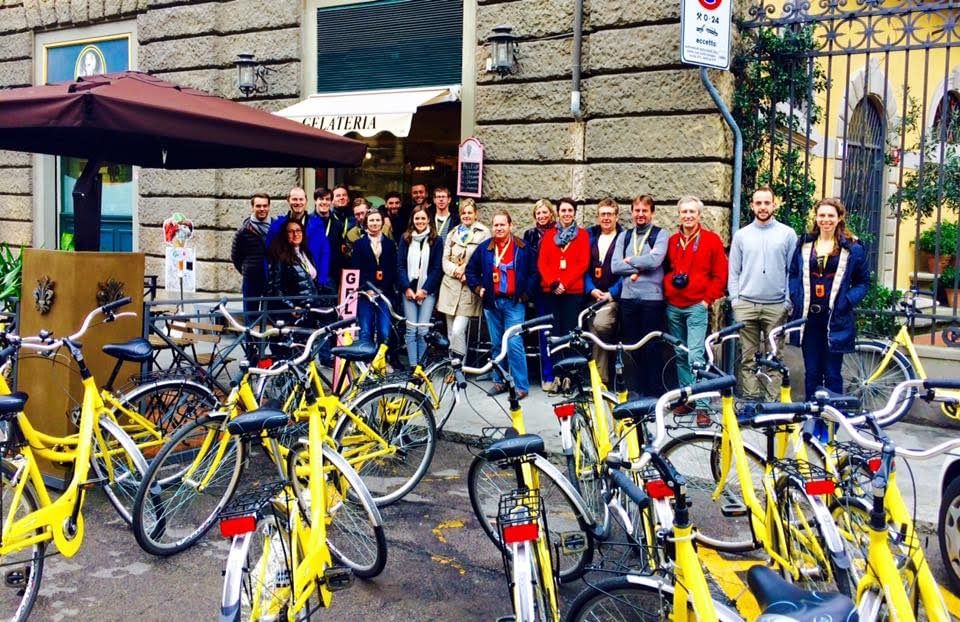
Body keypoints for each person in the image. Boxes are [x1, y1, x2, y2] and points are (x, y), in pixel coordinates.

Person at [789, 198, 870, 402]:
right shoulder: (805, 244)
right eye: (822, 215)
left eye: (830, 216)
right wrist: (795, 296)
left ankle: (832, 419)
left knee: (832, 373)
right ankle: (811, 418)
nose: (826, 220)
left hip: (836, 319)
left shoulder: (853, 248)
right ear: (816, 218)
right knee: (812, 372)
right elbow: (793, 274)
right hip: (810, 320)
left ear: (839, 218)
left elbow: (863, 283)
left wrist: (847, 301)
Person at [728, 187, 798, 400]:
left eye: (767, 203)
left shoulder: (787, 234)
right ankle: (751, 402)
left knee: (775, 357)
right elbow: (734, 270)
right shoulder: (741, 235)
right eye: (758, 203)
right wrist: (735, 300)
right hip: (746, 305)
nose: (763, 207)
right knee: (747, 358)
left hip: (776, 305)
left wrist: (787, 301)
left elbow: (791, 271)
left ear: (774, 205)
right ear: (752, 206)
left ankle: (771, 403)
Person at [663, 196, 728, 425]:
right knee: (680, 354)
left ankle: (702, 406)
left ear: (699, 215)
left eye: (692, 212)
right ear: (679, 215)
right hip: (674, 306)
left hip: (696, 306)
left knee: (696, 356)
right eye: (684, 212)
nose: (688, 216)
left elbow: (720, 275)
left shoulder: (711, 240)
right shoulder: (671, 241)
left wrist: (706, 300)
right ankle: (687, 398)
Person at [466, 210, 537, 399]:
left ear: (510, 226)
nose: (499, 228)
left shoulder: (522, 247)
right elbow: (470, 270)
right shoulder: (485, 248)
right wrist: (478, 288)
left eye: (502, 224)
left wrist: (526, 294)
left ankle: (521, 386)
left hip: (514, 303)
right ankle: (499, 382)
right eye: (496, 225)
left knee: (514, 343)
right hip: (492, 303)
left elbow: (534, 273)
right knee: (497, 344)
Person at [611, 195, 669, 397]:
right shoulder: (624, 236)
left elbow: (656, 261)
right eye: (637, 210)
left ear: (652, 213)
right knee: (632, 345)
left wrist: (631, 261)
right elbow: (615, 266)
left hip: (652, 299)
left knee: (652, 346)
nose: (640, 214)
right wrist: (639, 266)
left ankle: (655, 392)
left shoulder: (661, 235)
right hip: (628, 298)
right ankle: (637, 390)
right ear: (632, 212)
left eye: (645, 210)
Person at [537, 198, 590, 380]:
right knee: (554, 333)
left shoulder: (582, 235)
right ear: (557, 213)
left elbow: (582, 263)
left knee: (570, 332)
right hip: (551, 291)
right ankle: (556, 374)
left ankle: (570, 375)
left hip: (572, 292)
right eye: (563, 210)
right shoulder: (549, 235)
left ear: (574, 213)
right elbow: (543, 262)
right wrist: (553, 282)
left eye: (570, 210)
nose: (566, 214)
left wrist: (564, 284)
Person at [437, 199, 490, 359]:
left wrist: (467, 272)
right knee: (450, 331)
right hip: (450, 287)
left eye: (469, 212)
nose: (466, 216)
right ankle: (455, 367)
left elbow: (484, 259)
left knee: (458, 330)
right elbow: (445, 260)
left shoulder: (484, 233)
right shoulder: (453, 233)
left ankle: (459, 366)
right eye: (463, 213)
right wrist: (455, 271)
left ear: (476, 214)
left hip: (469, 287)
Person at [397, 206, 444, 366]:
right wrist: (406, 288)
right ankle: (412, 366)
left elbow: (438, 268)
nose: (420, 221)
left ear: (428, 219)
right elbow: (400, 266)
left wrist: (425, 290)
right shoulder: (405, 238)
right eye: (417, 218)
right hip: (408, 290)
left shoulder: (437, 241)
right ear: (412, 220)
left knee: (423, 330)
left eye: (423, 218)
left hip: (427, 291)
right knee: (411, 329)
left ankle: (422, 367)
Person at [584, 198, 623, 385]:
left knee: (600, 326)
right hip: (593, 295)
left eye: (609, 214)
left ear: (616, 216)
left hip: (613, 297)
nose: (606, 218)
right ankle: (599, 381)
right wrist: (591, 289)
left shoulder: (624, 237)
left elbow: (628, 270)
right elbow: (583, 267)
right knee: (591, 332)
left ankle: (603, 378)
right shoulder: (590, 236)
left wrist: (612, 293)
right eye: (603, 214)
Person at [522, 199, 558, 391]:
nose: (542, 216)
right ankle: (547, 375)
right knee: (544, 333)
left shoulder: (559, 232)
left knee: (559, 332)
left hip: (556, 288)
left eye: (545, 212)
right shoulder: (529, 235)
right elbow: (527, 264)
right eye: (539, 213)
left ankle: (562, 374)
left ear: (551, 214)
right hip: (539, 290)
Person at [266, 187, 329, 289]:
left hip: (312, 282)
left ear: (306, 201)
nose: (298, 203)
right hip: (286, 284)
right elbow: (269, 254)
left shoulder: (317, 225)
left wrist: (322, 279)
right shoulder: (277, 226)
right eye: (294, 199)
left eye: (301, 199)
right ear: (288, 200)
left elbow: (325, 252)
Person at [230, 193, 272, 346]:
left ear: (269, 206)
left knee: (271, 318)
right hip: (252, 280)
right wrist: (247, 270)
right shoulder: (243, 231)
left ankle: (267, 351)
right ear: (252, 207)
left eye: (265, 206)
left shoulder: (275, 227)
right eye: (258, 206)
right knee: (250, 319)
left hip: (272, 280)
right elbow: (236, 257)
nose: (262, 209)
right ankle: (252, 353)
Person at [352, 210, 398, 348]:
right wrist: (367, 289)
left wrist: (381, 289)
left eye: (377, 220)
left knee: (385, 330)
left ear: (382, 222)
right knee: (366, 330)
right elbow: (356, 269)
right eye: (371, 220)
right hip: (366, 293)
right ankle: (367, 362)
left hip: (385, 293)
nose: (375, 223)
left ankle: (382, 361)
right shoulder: (359, 244)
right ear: (366, 223)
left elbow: (392, 269)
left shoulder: (390, 244)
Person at [266, 219, 321, 313]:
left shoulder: (306, 253)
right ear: (284, 235)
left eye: (298, 230)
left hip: (311, 307)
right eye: (291, 232)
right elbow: (276, 289)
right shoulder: (280, 257)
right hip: (295, 312)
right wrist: (291, 307)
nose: (296, 234)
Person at [312, 187, 343, 290]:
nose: (324, 202)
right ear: (315, 201)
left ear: (331, 202)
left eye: (327, 199)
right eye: (321, 199)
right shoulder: (307, 222)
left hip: (332, 276)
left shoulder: (338, 224)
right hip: (312, 274)